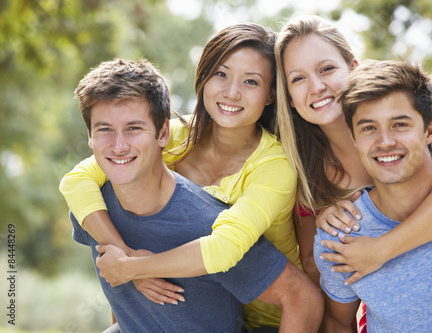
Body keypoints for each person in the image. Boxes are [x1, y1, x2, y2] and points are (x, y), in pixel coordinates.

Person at [60, 24, 322, 331]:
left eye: (251, 81)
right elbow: (78, 180)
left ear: (270, 95)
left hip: (267, 313)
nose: (232, 92)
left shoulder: (274, 167)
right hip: (194, 302)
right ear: (204, 77)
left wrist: (132, 267)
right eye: (221, 74)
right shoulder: (170, 135)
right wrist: (128, 261)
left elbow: (223, 248)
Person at [275, 13, 432, 287]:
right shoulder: (306, 170)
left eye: (327, 69)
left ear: (352, 66)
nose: (317, 87)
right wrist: (327, 231)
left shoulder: (408, 114)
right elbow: (313, 268)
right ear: (289, 98)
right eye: (298, 79)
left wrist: (380, 250)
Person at [314, 59, 432, 332]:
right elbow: (338, 324)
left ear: (430, 130)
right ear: (354, 139)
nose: (385, 141)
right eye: (368, 128)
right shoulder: (339, 237)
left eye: (400, 124)